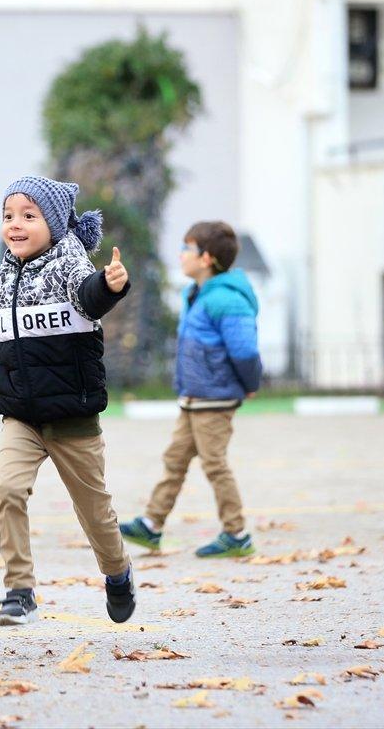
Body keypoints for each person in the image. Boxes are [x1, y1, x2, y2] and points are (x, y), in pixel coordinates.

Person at [0, 176, 136, 626]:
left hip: (72, 416)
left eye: (28, 216)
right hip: (20, 416)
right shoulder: (2, 276)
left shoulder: (68, 266)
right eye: (8, 216)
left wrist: (111, 285)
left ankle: (118, 574)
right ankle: (19, 590)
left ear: (55, 223)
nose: (15, 225)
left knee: (95, 513)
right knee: (5, 489)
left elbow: (89, 294)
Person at [119, 220, 262, 557]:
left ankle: (237, 533)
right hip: (194, 397)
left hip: (215, 398)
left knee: (214, 464)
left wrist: (250, 384)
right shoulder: (194, 293)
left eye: (187, 249)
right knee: (175, 460)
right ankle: (152, 525)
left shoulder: (227, 299)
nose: (181, 255)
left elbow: (245, 350)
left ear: (207, 258)